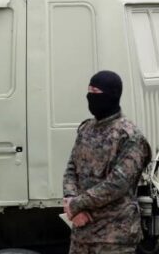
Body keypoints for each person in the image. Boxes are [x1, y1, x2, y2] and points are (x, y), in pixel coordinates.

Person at [63, 70, 151, 253]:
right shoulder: (86, 129)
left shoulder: (130, 136)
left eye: (95, 92)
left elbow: (117, 184)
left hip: (114, 238)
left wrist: (76, 204)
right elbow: (72, 168)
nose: (90, 97)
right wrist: (71, 201)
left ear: (112, 95)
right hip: (82, 233)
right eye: (89, 92)